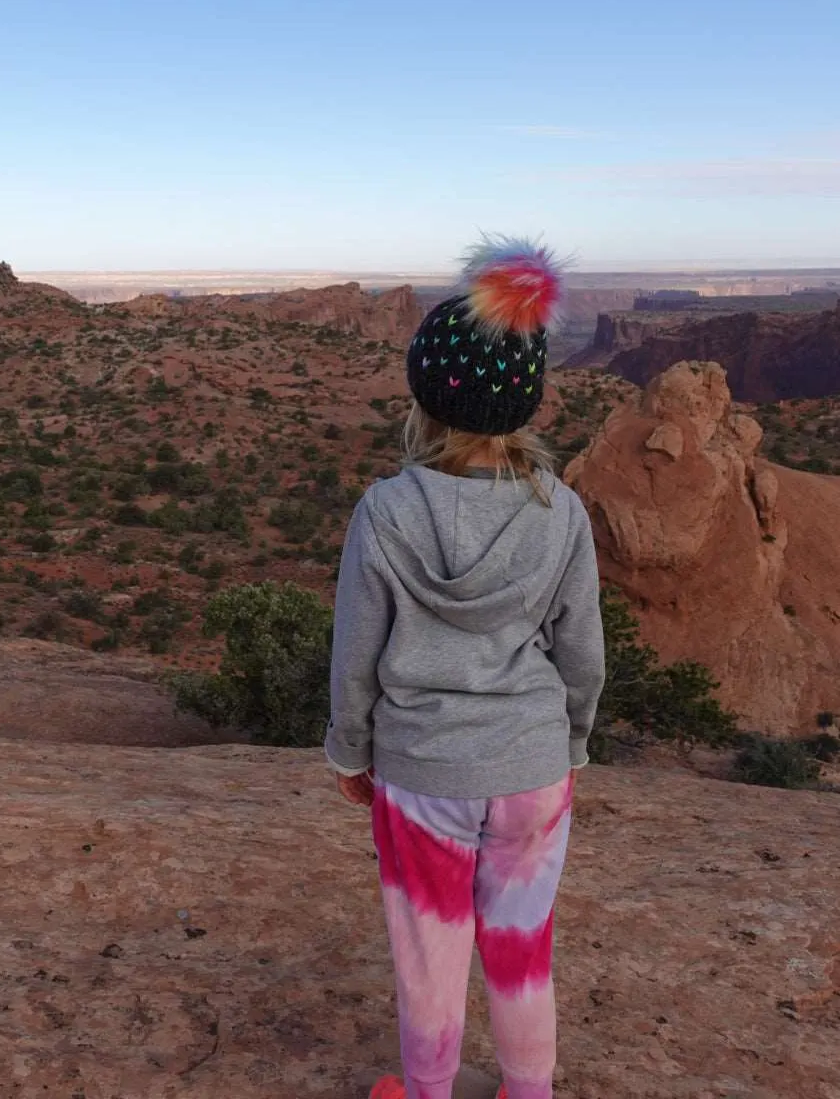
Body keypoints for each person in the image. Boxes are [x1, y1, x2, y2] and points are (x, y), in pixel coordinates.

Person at [325, 239, 605, 1099]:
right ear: (527, 401)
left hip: (421, 775)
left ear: (428, 398)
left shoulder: (387, 511)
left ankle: (428, 1091)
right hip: (531, 771)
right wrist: (573, 744)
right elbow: (582, 651)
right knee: (523, 952)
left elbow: (356, 652)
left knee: (429, 955)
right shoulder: (561, 514)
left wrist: (350, 751)